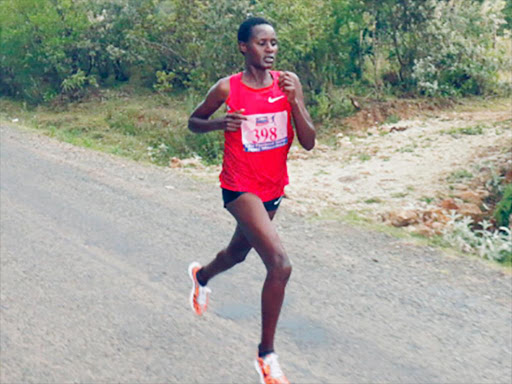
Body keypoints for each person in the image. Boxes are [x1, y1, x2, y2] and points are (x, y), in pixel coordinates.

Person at [187, 16, 315, 384]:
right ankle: (266, 356)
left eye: (274, 43)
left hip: (273, 187)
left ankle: (201, 276)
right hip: (239, 186)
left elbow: (308, 141)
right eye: (262, 43)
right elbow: (194, 121)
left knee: (237, 254)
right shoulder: (227, 89)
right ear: (244, 47)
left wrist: (297, 101)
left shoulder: (287, 84)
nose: (270, 50)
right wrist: (219, 124)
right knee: (280, 264)